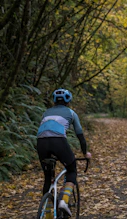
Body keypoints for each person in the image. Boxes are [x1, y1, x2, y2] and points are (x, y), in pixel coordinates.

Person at [36, 88, 91, 216]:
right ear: (68, 100)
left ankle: (48, 213)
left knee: (48, 177)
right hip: (58, 142)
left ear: (54, 100)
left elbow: (44, 131)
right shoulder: (71, 113)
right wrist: (85, 153)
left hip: (41, 143)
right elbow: (80, 137)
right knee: (71, 169)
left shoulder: (46, 113)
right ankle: (64, 201)